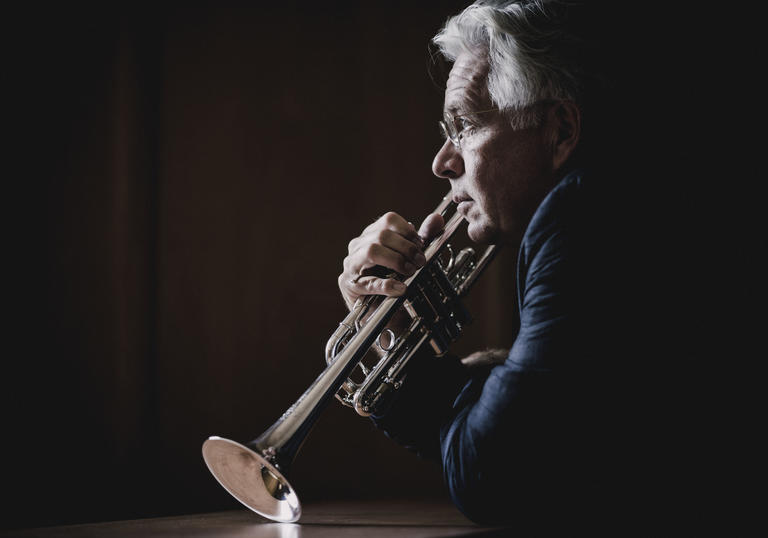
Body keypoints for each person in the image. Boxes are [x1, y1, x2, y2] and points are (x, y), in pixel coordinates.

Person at [337, 0, 697, 532]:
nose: (442, 161)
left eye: (463, 125)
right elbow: (552, 452)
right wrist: (399, 347)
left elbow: (493, 474)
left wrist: (409, 366)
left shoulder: (579, 213)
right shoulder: (617, 209)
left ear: (561, 131)